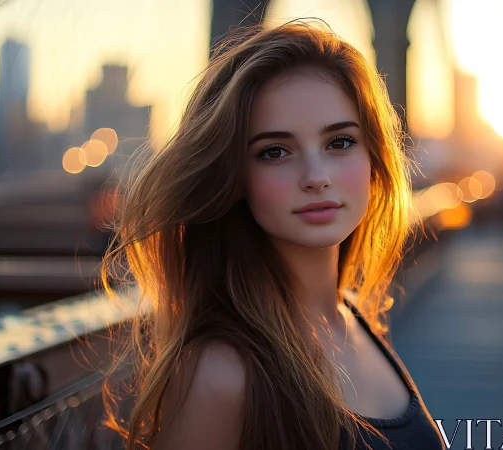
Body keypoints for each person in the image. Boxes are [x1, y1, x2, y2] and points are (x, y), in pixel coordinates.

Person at [100, 18, 446, 450]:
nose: (316, 177)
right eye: (275, 152)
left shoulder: (357, 318)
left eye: (339, 142)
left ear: (373, 158)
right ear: (234, 177)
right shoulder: (221, 375)